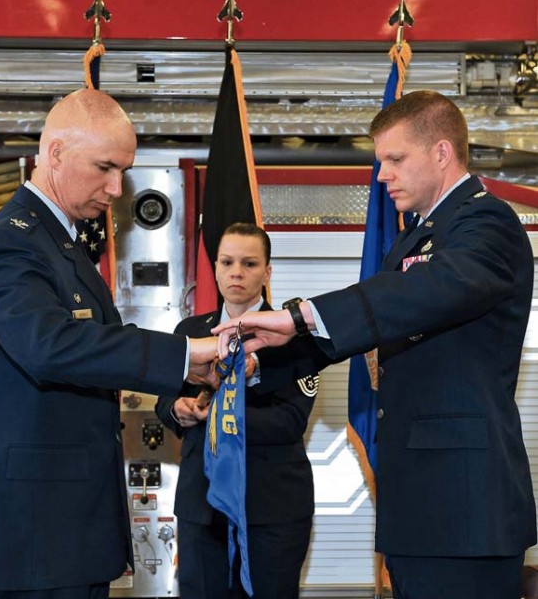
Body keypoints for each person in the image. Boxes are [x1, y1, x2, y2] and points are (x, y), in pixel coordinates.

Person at [213, 91, 537, 599]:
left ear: (441, 153)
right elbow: (362, 327)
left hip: (464, 510)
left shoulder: (487, 224)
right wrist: (259, 363)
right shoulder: (418, 239)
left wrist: (299, 314)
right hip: (421, 508)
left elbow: (421, 293)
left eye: (394, 159)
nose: (381, 174)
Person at [0, 88, 218, 599]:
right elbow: (51, 346)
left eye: (124, 171)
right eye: (105, 168)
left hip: (64, 530)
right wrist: (184, 354)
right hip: (30, 536)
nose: (117, 188)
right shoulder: (12, 242)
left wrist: (186, 370)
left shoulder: (59, 242)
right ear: (55, 154)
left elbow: (100, 343)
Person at [155, 223, 321, 599]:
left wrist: (216, 414)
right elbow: (164, 401)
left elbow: (289, 422)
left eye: (249, 264)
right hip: (203, 504)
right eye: (227, 262)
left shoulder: (294, 337)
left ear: (267, 272)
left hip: (272, 508)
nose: (237, 272)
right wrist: (177, 409)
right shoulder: (191, 330)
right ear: (214, 267)